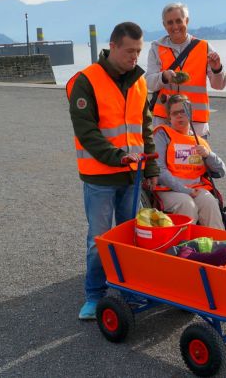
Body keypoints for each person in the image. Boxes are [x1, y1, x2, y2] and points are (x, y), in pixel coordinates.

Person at [66, 21, 159, 320]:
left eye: (139, 51)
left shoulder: (139, 81)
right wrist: (117, 157)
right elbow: (87, 132)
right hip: (100, 176)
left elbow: (145, 127)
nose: (135, 57)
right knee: (100, 239)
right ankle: (94, 295)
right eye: (130, 51)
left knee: (131, 236)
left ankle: (129, 291)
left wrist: (151, 167)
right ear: (114, 46)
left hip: (132, 175)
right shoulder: (86, 81)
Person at [146, 2, 226, 137]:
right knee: (165, 159)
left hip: (195, 125)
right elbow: (149, 82)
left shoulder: (204, 47)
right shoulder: (156, 47)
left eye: (179, 21)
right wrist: (164, 77)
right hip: (165, 123)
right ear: (164, 25)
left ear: (187, 21)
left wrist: (217, 69)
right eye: (170, 22)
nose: (175, 26)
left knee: (197, 159)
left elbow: (218, 85)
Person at [152, 94, 226, 229]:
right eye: (175, 113)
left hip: (196, 188)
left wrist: (208, 155)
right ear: (169, 117)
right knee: (187, 204)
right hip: (168, 190)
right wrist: (185, 190)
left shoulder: (199, 141)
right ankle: (186, 247)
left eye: (183, 111)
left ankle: (218, 245)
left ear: (190, 114)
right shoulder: (162, 134)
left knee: (210, 202)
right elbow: (160, 171)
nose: (179, 115)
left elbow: (221, 171)